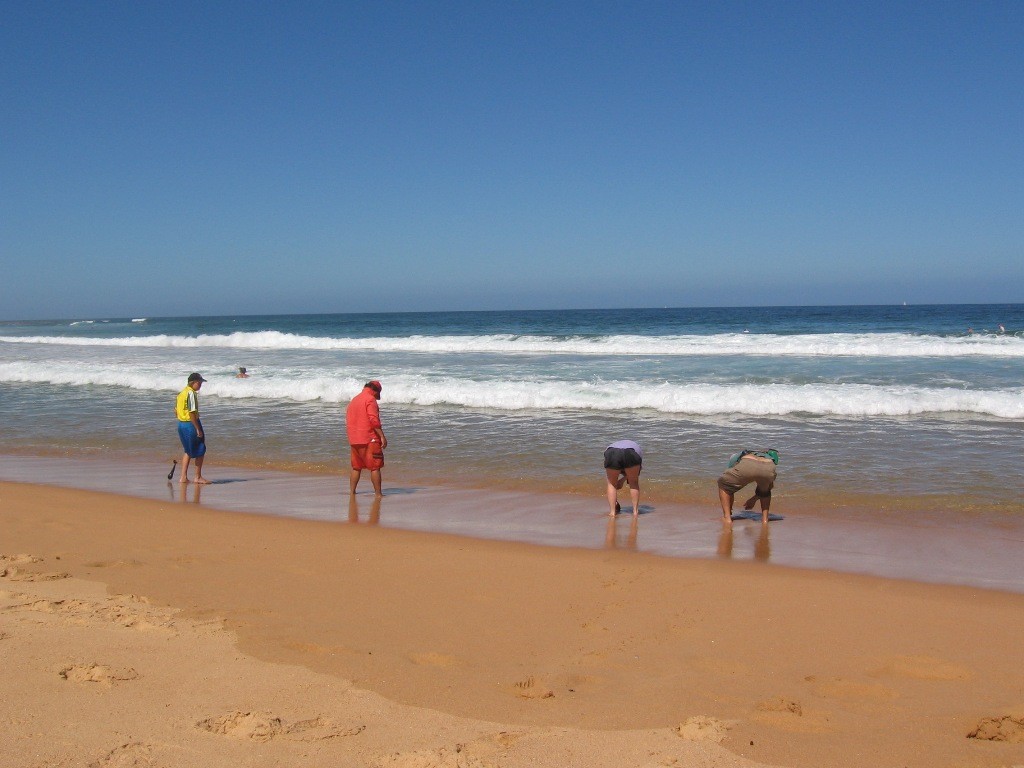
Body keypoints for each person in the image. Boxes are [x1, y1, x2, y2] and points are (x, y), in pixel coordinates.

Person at [346, 380, 387, 496]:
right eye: (378, 393)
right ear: (375, 391)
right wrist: (382, 436)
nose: (378, 397)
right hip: (369, 439)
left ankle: (352, 492)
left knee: (356, 467)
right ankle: (378, 494)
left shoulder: (354, 400)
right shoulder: (370, 399)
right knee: (375, 467)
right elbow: (373, 420)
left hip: (354, 439)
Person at [718, 448, 779, 524]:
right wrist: (753, 499)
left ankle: (727, 518)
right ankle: (765, 520)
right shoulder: (769, 458)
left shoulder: (737, 456)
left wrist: (729, 509)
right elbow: (769, 487)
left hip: (747, 463)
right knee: (766, 491)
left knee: (724, 485)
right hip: (768, 467)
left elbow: (729, 488)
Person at [175, 372, 210, 484]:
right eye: (199, 383)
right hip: (190, 424)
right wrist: (197, 428)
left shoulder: (181, 393)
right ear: (193, 382)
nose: (200, 385)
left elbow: (175, 410)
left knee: (188, 450)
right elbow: (192, 412)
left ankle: (183, 477)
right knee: (201, 449)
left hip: (181, 424)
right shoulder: (191, 393)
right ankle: (197, 476)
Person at [603, 439, 642, 516]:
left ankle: (612, 512)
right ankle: (635, 512)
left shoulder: (611, 447)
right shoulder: (637, 449)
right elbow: (635, 474)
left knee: (611, 484)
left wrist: (622, 480)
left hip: (611, 452)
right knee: (633, 483)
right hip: (630, 453)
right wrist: (623, 480)